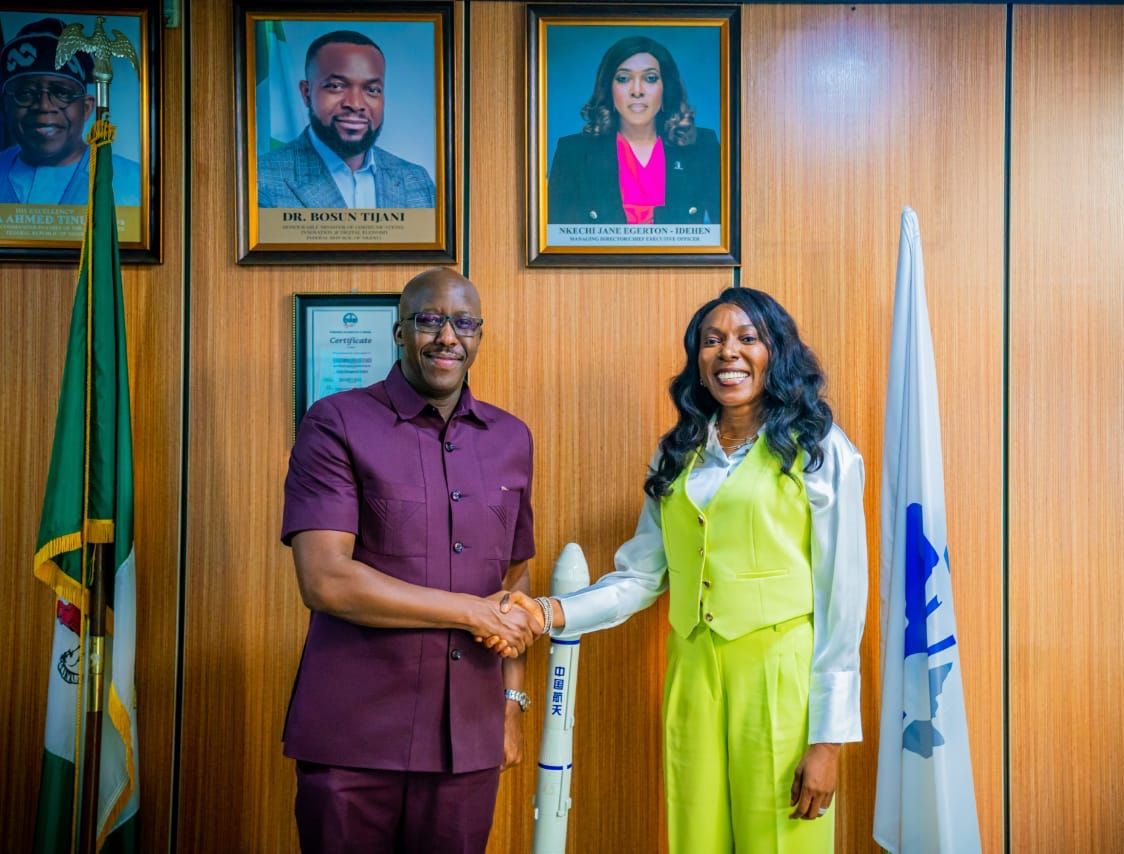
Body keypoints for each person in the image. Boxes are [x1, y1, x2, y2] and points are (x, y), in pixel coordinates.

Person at [508, 287, 868, 853]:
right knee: (693, 838)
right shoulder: (677, 452)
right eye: (713, 340)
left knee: (781, 841)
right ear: (698, 362)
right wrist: (553, 611)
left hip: (781, 675)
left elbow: (843, 597)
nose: (730, 352)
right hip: (692, 671)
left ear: (777, 354)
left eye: (749, 339)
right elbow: (641, 576)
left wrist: (828, 741)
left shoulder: (820, 449)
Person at [280, 268, 540, 853]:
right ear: (400, 331)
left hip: (466, 740)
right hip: (354, 736)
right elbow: (326, 580)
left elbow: (515, 584)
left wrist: (511, 705)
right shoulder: (336, 423)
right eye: (430, 319)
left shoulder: (511, 438)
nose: (448, 336)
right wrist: (470, 612)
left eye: (464, 322)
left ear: (479, 335)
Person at [546, 35, 720, 226]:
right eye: (624, 78)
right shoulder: (573, 152)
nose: (637, 91)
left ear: (666, 88)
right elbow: (558, 240)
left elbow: (727, 236)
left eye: (650, 78)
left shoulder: (703, 145)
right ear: (609, 89)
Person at [258, 29, 436, 209]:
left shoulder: (417, 181)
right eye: (336, 86)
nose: (356, 104)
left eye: (372, 90)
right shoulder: (260, 179)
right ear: (306, 93)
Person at [0, 17, 141, 205]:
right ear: (6, 105)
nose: (44, 106)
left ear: (86, 108)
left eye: (61, 93)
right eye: (25, 93)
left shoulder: (134, 181)